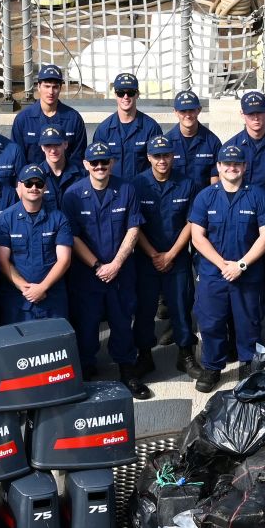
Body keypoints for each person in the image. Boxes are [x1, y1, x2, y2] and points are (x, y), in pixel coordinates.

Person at [187, 144, 265, 392]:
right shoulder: (205, 197)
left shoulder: (258, 196)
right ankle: (212, 367)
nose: (232, 168)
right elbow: (197, 237)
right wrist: (222, 264)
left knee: (249, 322)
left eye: (237, 163)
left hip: (247, 273)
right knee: (211, 322)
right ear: (218, 166)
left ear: (244, 167)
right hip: (213, 274)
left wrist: (241, 265)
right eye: (227, 164)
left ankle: (249, 364)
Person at [64, 143, 151, 397]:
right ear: (86, 164)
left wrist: (116, 264)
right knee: (87, 324)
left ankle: (127, 370)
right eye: (95, 162)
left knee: (122, 322)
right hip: (87, 274)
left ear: (111, 163)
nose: (100, 166)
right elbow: (73, 236)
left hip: (120, 272)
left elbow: (133, 229)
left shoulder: (126, 189)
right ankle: (86, 371)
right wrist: (97, 265)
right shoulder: (72, 195)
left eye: (104, 162)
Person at [224, 90, 265, 357]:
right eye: (250, 114)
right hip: (242, 228)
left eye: (260, 113)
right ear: (242, 115)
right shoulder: (232, 146)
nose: (256, 118)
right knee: (241, 286)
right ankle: (238, 341)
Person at [132, 137, 198, 376]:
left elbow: (191, 222)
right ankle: (144, 355)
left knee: (181, 307)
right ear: (149, 158)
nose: (162, 160)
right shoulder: (137, 184)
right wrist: (154, 254)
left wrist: (170, 255)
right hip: (145, 258)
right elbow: (134, 225)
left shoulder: (187, 183)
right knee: (144, 310)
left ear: (173, 156)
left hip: (177, 257)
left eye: (166, 155)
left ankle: (185, 354)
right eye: (157, 156)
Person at [0, 164, 74, 325]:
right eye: (28, 183)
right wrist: (26, 289)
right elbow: (2, 260)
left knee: (54, 340)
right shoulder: (5, 219)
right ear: (19, 186)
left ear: (45, 187)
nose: (34, 188)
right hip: (18, 300)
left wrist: (42, 288)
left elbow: (64, 260)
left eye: (39, 183)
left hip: (52, 298)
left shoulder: (58, 218)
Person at [88, 72, 162, 179]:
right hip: (113, 188)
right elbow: (96, 164)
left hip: (142, 187)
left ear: (137, 94)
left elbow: (159, 164)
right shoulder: (103, 130)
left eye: (130, 92)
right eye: (121, 93)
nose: (125, 97)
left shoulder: (151, 128)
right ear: (115, 95)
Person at [11, 64, 87, 167]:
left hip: (66, 176)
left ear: (60, 88)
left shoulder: (74, 119)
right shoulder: (23, 119)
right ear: (38, 87)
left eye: (55, 87)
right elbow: (18, 158)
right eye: (47, 86)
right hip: (33, 176)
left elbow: (78, 157)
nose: (51, 92)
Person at [162, 90, 221, 187]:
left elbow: (215, 179)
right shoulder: (167, 143)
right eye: (183, 111)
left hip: (203, 196)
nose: (188, 115)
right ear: (175, 112)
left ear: (199, 110)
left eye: (191, 110)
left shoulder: (212, 142)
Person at [38, 127, 84, 209]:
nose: (53, 150)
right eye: (48, 145)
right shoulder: (37, 176)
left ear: (65, 144)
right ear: (42, 147)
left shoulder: (81, 174)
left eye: (57, 144)